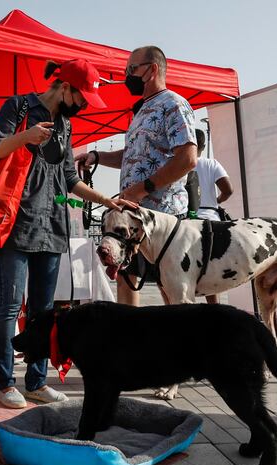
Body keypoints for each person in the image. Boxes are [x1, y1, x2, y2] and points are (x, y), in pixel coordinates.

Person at [0, 59, 135, 409]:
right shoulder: (19, 106)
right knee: (9, 305)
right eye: (82, 98)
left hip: (51, 224)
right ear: (64, 87)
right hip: (14, 221)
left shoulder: (65, 125)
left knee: (44, 309)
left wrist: (108, 200)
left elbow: (69, 178)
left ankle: (36, 381)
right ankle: (4, 383)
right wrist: (25, 137)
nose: (83, 106)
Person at [76, 45, 198, 306]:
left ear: (152, 69)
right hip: (131, 218)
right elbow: (133, 156)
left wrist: (143, 188)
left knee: (172, 291)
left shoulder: (174, 104)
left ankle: (181, 346)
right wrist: (97, 157)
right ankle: (129, 344)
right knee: (125, 277)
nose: (126, 75)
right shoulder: (141, 109)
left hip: (162, 219)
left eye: (132, 69)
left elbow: (188, 159)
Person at [192, 128, 233, 304]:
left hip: (188, 219)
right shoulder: (211, 164)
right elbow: (228, 190)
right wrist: (215, 201)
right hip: (211, 220)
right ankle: (214, 308)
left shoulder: (179, 163)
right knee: (209, 269)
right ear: (203, 145)